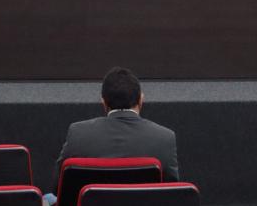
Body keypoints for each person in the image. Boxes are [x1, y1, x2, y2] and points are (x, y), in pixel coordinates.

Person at [52, 67, 180, 191]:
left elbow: (58, 188)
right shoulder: (164, 138)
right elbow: (171, 193)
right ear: (141, 100)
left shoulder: (78, 134)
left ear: (103, 102)